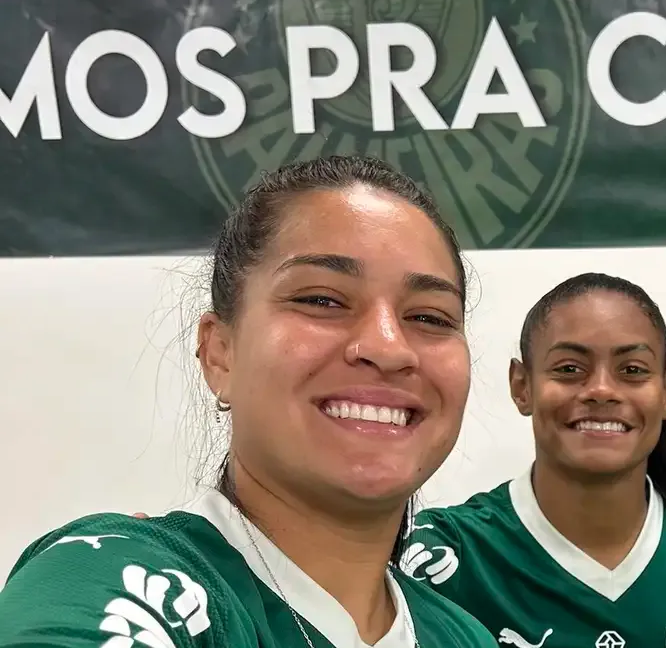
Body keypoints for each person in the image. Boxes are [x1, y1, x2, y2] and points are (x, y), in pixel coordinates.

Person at [0, 156, 496, 647]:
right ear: (220, 354)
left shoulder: (463, 635)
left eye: (430, 317)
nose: (388, 347)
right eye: (321, 300)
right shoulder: (119, 578)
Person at [400, 272, 666, 648]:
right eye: (570, 369)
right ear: (521, 385)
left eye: (632, 370)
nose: (602, 390)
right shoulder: (444, 555)